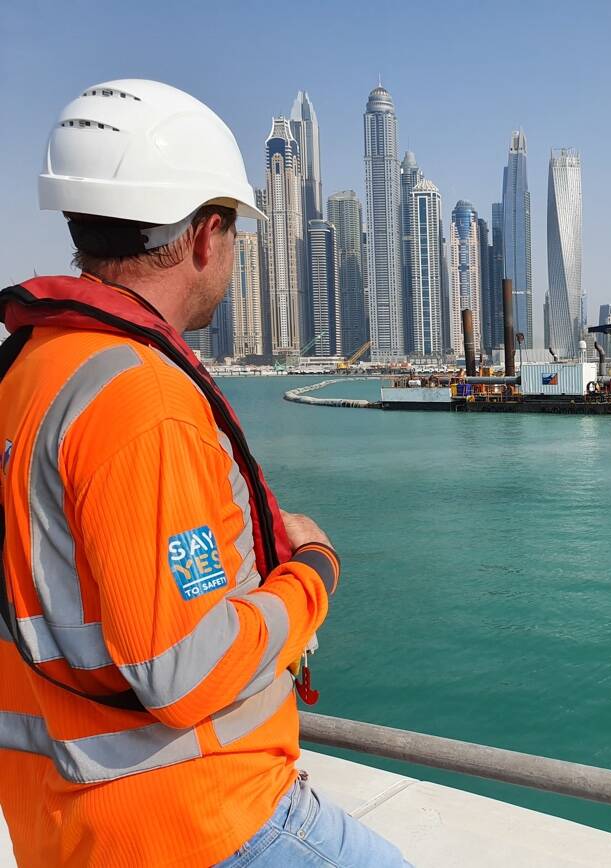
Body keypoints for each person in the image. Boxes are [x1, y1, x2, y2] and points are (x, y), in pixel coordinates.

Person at [0, 80, 410, 867]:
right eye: (235, 237)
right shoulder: (141, 397)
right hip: (194, 823)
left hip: (64, 821)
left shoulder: (30, 369)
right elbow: (179, 670)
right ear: (204, 236)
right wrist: (312, 574)